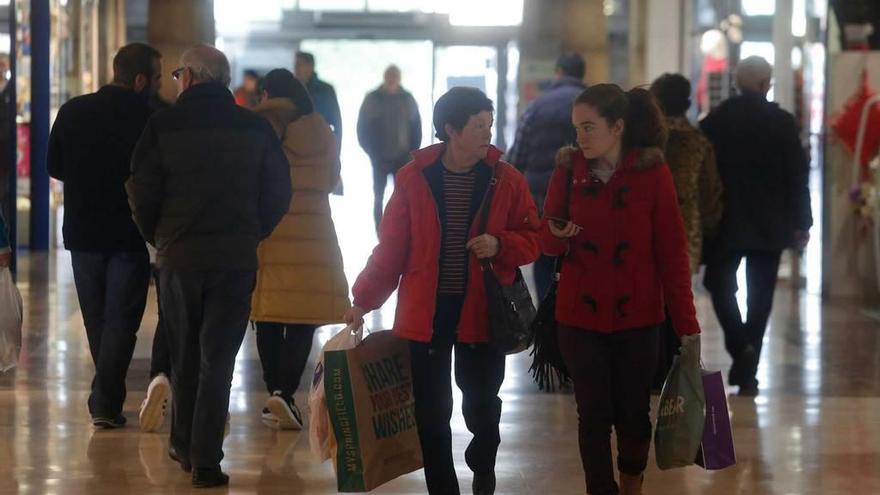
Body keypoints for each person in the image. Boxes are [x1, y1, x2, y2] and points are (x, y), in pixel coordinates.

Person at [345, 87, 540, 495]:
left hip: (483, 311)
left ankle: (483, 464)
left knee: (482, 405)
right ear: (450, 130)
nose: (488, 133)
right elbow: (392, 249)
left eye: (489, 124)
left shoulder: (506, 179)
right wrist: (363, 299)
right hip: (426, 313)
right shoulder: (414, 177)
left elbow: (533, 238)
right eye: (478, 126)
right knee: (431, 413)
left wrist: (500, 244)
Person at [126, 44, 291, 488]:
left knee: (183, 355)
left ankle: (183, 445)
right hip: (234, 259)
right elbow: (279, 192)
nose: (176, 80)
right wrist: (253, 232)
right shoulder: (255, 129)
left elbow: (141, 191)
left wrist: (158, 236)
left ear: (192, 77)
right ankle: (205, 460)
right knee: (219, 359)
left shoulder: (163, 126)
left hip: (179, 258)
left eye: (178, 73)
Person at [542, 84, 701, 495]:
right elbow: (544, 239)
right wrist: (557, 235)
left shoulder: (653, 173)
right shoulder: (568, 169)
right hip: (578, 314)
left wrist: (686, 323)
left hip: (639, 316)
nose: (581, 137)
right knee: (592, 413)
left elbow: (671, 251)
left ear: (618, 127)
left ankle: (632, 484)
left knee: (633, 413)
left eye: (589, 127)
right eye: (577, 128)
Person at [47, 43, 162, 429]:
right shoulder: (151, 117)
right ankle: (105, 399)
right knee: (121, 320)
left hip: (81, 231)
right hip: (129, 233)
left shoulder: (73, 111)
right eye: (158, 78)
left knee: (96, 319)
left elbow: (54, 166)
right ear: (141, 79)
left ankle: (106, 397)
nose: (160, 86)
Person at [700, 56, 812, 396]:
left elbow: (703, 177)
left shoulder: (715, 122)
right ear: (766, 84)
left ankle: (741, 349)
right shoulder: (782, 122)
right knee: (761, 295)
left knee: (719, 286)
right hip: (771, 222)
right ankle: (748, 369)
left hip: (726, 221)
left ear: (736, 82)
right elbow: (797, 175)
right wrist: (802, 222)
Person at [250, 68, 351, 430]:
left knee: (267, 314)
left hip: (269, 227)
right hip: (313, 229)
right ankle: (283, 391)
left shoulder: (260, 126)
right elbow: (330, 178)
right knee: (302, 316)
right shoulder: (321, 129)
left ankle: (276, 390)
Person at [649, 73, 723, 390]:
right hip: (686, 233)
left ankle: (651, 366)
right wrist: (708, 227)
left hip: (647, 231)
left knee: (650, 300)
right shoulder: (699, 143)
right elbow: (711, 193)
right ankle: (674, 368)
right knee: (678, 298)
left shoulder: (645, 142)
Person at [507, 53, 586, 298]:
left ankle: (548, 313)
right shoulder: (594, 107)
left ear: (558, 72)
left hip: (543, 199)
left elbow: (517, 156)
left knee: (544, 258)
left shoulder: (538, 106)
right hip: (583, 197)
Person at [357, 65, 422, 229]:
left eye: (395, 75)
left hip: (403, 156)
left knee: (402, 196)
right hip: (379, 157)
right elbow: (362, 128)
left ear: (399, 78)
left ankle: (399, 229)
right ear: (384, 77)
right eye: (389, 75)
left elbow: (416, 127)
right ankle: (380, 231)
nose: (391, 78)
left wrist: (412, 153)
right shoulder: (372, 98)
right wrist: (371, 151)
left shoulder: (407, 99)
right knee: (378, 195)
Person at [295, 52, 342, 155]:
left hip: (319, 147)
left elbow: (336, 123)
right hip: (295, 148)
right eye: (295, 65)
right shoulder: (291, 89)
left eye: (300, 64)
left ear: (310, 66)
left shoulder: (325, 90)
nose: (296, 68)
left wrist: (335, 154)